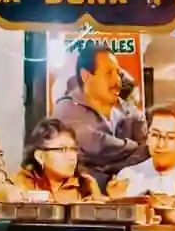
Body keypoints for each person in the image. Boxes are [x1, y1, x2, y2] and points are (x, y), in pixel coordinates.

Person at [52, 42, 149, 187]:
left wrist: (112, 170)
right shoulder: (66, 108)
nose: (117, 81)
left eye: (118, 73)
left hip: (127, 198)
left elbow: (146, 152)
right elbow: (96, 144)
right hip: (82, 200)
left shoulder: (130, 111)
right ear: (86, 76)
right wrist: (131, 148)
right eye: (109, 73)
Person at [111, 104, 175, 198]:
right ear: (147, 137)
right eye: (155, 135)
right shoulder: (127, 177)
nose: (161, 144)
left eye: (170, 137)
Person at [0, 118, 105, 203]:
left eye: (73, 149)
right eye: (62, 149)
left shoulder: (86, 184)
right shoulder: (22, 180)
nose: (72, 157)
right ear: (40, 156)